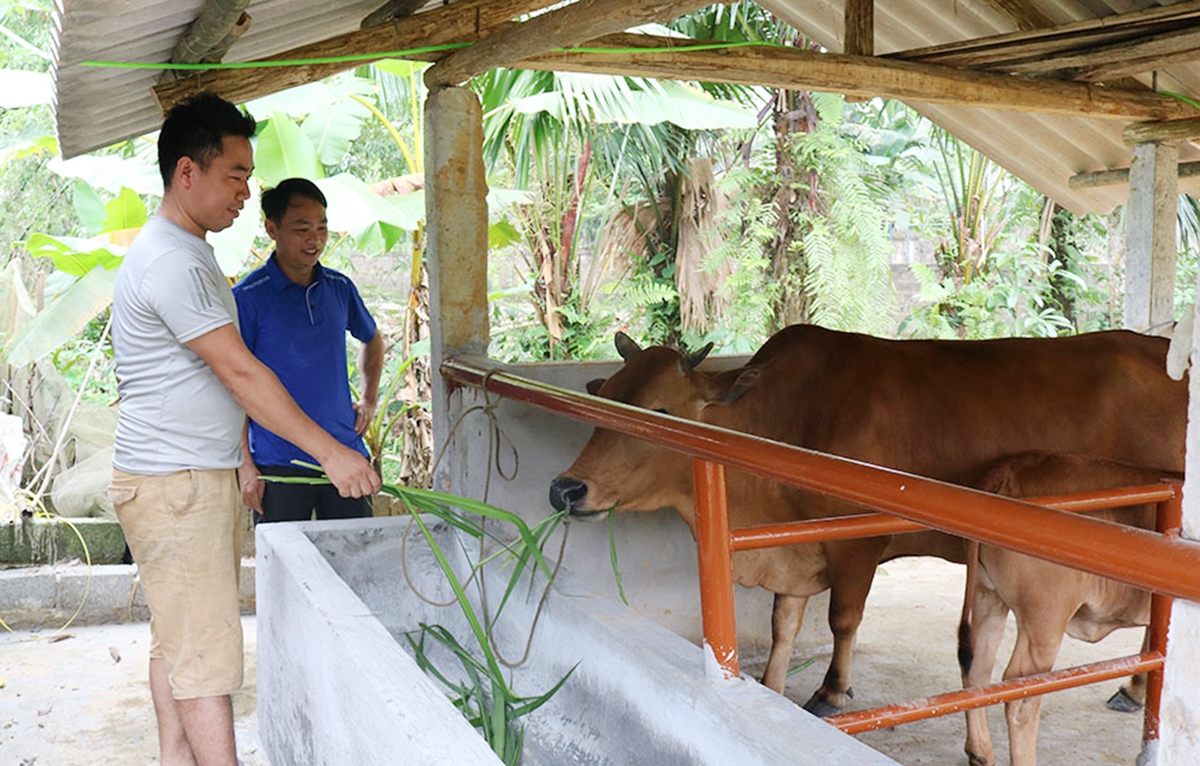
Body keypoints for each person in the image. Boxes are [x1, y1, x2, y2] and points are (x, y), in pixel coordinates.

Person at [107, 92, 379, 766]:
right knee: (208, 665)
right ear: (187, 174)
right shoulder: (173, 261)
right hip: (177, 487)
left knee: (179, 645)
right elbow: (243, 376)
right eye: (234, 176)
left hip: (180, 479)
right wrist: (333, 453)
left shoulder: (186, 250)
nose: (244, 193)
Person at [233, 178, 384, 522]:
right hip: (279, 464)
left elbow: (372, 340)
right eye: (302, 228)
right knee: (285, 570)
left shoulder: (339, 288)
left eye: (322, 227)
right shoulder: (247, 298)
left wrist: (370, 398)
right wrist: (245, 463)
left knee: (355, 565)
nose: (315, 239)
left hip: (346, 455)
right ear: (272, 228)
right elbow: (235, 384)